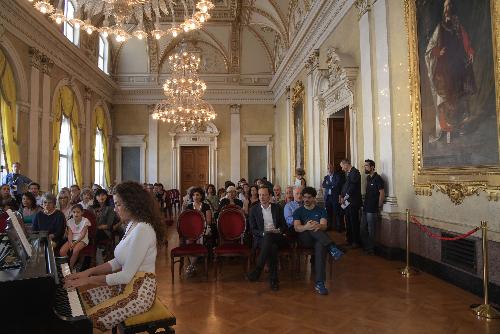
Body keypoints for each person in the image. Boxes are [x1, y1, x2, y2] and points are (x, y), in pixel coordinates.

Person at [64, 181, 165, 332]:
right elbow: (117, 261)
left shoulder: (143, 229)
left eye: (118, 204)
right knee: (82, 302)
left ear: (132, 204)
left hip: (140, 293)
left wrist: (87, 280)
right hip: (126, 286)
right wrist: (86, 272)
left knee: (88, 322)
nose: (115, 208)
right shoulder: (132, 224)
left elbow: (125, 276)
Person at [425, 0, 476, 143]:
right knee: (446, 99)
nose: (448, 9)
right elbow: (430, 48)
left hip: (457, 68)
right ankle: (447, 128)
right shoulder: (439, 27)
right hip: (444, 70)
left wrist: (470, 51)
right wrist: (437, 51)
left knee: (459, 99)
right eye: (445, 6)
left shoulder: (458, 26)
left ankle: (459, 127)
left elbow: (466, 42)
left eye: (450, 6)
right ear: (443, 10)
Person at [293, 187, 344, 295]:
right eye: (304, 197)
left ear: (314, 198)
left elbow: (324, 226)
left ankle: (320, 283)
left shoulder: (321, 210)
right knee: (309, 223)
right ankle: (332, 247)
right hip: (304, 239)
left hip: (319, 239)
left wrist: (318, 225)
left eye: (309, 197)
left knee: (321, 245)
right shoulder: (298, 211)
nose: (306, 199)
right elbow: (297, 228)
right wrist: (307, 226)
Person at [247, 186, 288, 291]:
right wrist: (264, 233)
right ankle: (274, 280)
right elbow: (253, 229)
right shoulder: (253, 209)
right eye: (260, 195)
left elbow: (284, 226)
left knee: (271, 237)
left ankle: (258, 269)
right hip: (262, 238)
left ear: (270, 196)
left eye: (264, 195)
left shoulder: (277, 207)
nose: (261, 197)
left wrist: (278, 230)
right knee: (272, 247)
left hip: (277, 236)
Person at [185, 187, 213, 276]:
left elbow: (208, 220)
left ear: (201, 196)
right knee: (189, 241)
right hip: (192, 229)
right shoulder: (189, 206)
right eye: (193, 195)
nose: (195, 197)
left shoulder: (205, 206)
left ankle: (191, 265)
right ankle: (192, 265)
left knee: (199, 240)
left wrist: (199, 223)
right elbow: (186, 220)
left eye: (197, 195)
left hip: (204, 228)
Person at [361, 160, 385, 255]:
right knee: (363, 228)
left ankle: (371, 249)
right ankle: (366, 246)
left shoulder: (378, 178)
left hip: (372, 208)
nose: (365, 167)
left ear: (372, 167)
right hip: (366, 207)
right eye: (365, 165)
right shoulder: (368, 178)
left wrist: (379, 205)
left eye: (367, 166)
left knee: (372, 230)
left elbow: (382, 193)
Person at [60, 204, 90, 269]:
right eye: (74, 212)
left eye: (78, 212)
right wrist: (70, 242)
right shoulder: (70, 221)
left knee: (75, 250)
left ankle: (70, 267)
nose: (76, 214)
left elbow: (83, 235)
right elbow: (70, 234)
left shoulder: (85, 221)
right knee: (62, 251)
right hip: (72, 238)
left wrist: (75, 243)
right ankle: (66, 267)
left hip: (82, 239)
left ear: (82, 212)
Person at [340, 159, 362, 248]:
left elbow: (353, 187)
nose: (342, 169)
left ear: (346, 164)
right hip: (348, 202)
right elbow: (346, 186)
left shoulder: (355, 172)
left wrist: (344, 197)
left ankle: (355, 242)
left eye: (342, 166)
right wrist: (342, 195)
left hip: (353, 202)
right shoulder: (349, 173)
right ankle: (350, 240)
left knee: (354, 222)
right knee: (348, 221)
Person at [322, 163, 345, 231]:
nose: (329, 169)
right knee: (328, 212)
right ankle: (329, 226)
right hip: (328, 197)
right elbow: (323, 185)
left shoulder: (338, 176)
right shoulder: (326, 177)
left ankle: (339, 227)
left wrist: (328, 185)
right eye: (328, 168)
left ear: (333, 168)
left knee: (337, 212)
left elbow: (336, 185)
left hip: (335, 197)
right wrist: (331, 186)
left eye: (330, 168)